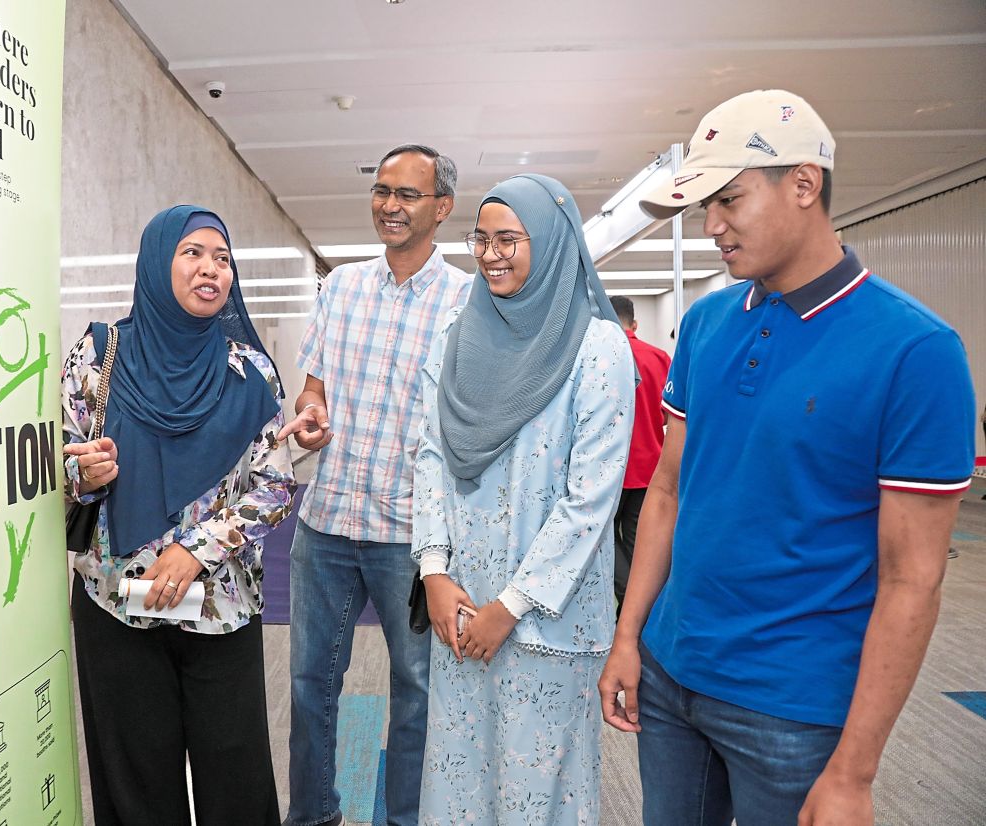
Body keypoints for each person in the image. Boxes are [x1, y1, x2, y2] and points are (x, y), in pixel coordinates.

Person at [597, 89, 976, 826]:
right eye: (704, 206)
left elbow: (912, 579)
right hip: (672, 677)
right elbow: (669, 492)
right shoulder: (706, 325)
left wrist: (856, 773)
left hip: (793, 709)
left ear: (804, 185)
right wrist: (628, 638)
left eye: (729, 200)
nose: (712, 227)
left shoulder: (915, 352)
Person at [61, 206, 295, 826]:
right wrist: (83, 477)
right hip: (116, 604)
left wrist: (196, 550)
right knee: (135, 777)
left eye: (221, 258)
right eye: (192, 253)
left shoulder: (249, 369)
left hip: (219, 604)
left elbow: (274, 486)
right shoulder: (99, 353)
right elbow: (61, 465)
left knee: (234, 773)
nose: (210, 269)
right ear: (158, 261)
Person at [414, 173, 633, 825]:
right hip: (462, 609)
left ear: (553, 241)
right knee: (460, 788)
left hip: (546, 622)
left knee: (539, 793)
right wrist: (434, 571)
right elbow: (429, 452)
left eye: (509, 239)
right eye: (479, 239)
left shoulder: (599, 347)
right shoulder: (457, 332)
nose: (489, 253)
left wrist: (510, 607)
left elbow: (590, 500)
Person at [276, 144, 472, 826]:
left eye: (407, 195)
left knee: (417, 691)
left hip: (411, 538)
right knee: (308, 688)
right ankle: (312, 814)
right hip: (326, 522)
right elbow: (314, 393)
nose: (389, 205)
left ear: (441, 208)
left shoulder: (467, 301)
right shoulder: (341, 287)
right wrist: (310, 421)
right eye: (382, 191)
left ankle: (405, 819)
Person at [608, 295, 671, 618]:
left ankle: (624, 598)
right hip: (650, 470)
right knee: (639, 542)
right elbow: (669, 416)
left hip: (608, 473)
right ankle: (642, 614)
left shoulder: (601, 356)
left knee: (604, 542)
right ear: (634, 324)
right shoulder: (659, 357)